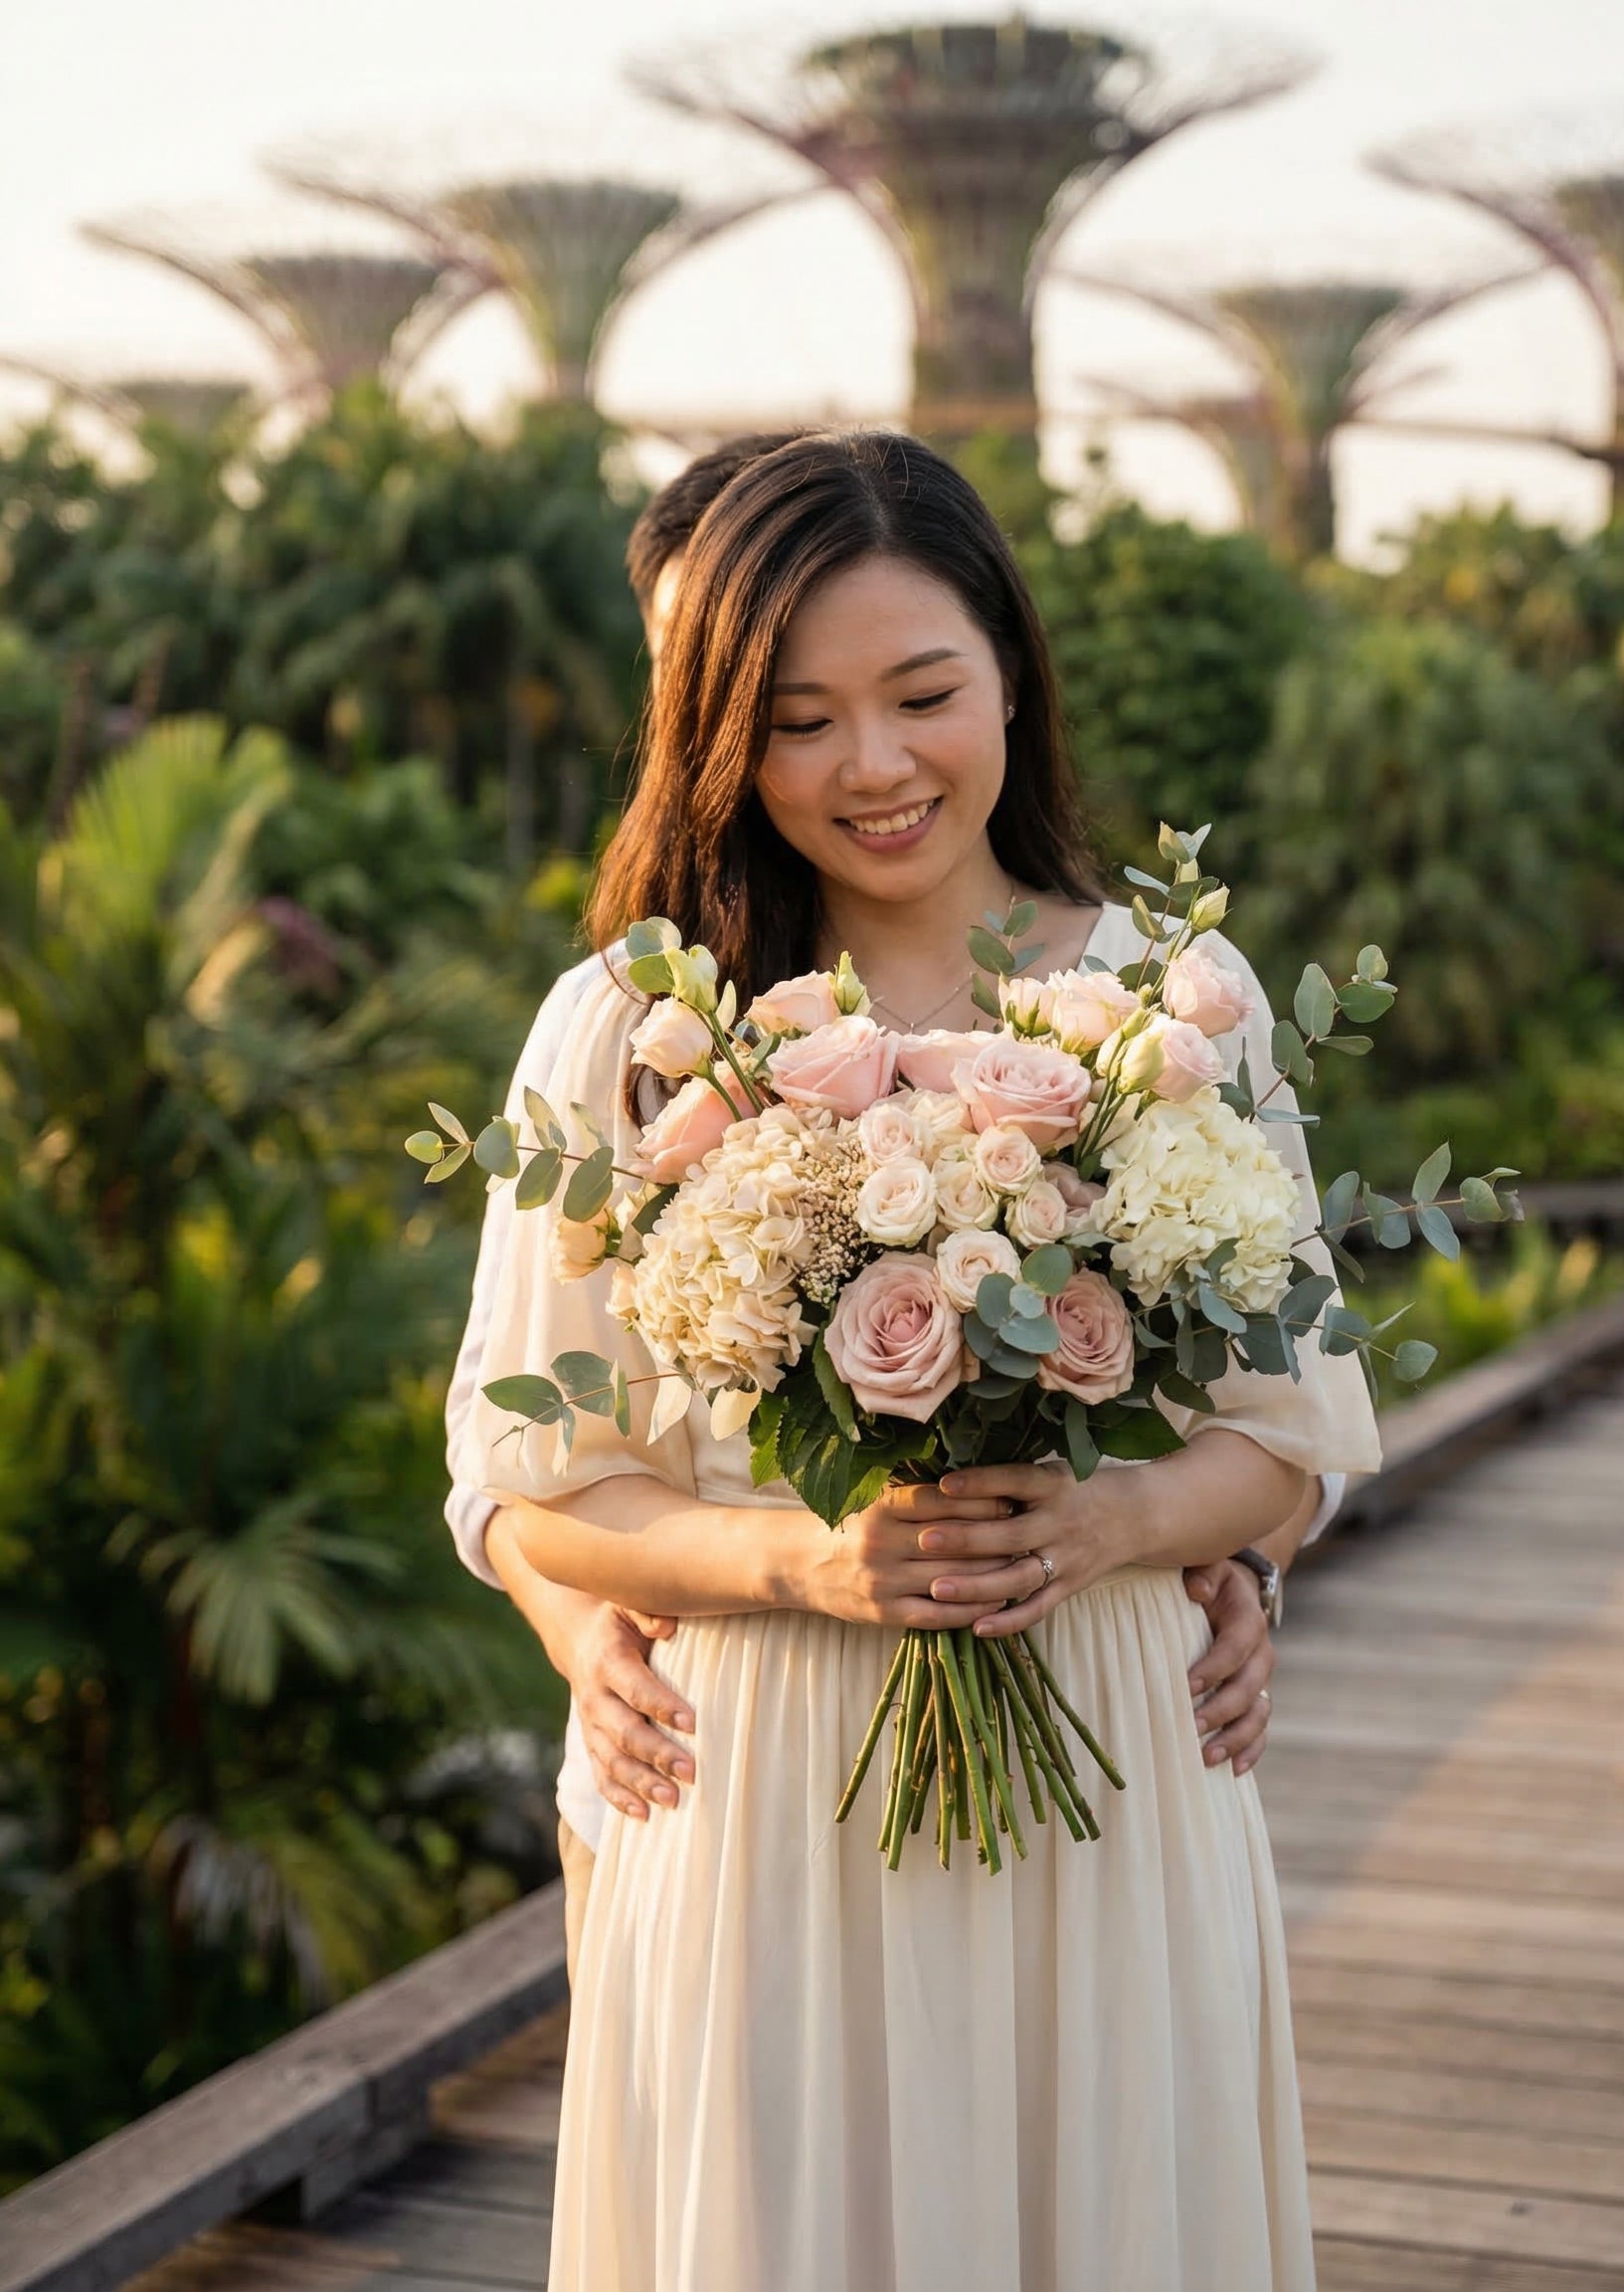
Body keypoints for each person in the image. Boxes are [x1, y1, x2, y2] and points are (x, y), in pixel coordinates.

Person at [453, 431, 1378, 2291]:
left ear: (1012, 679)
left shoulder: (1170, 1007)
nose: (872, 765)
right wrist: (800, 1559)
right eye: (797, 720)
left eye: (922, 693)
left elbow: (1290, 1431)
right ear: (722, 734)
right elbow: (526, 1478)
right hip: (763, 1785)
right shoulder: (634, 1029)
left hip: (1111, 1753)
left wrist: (1113, 1529)